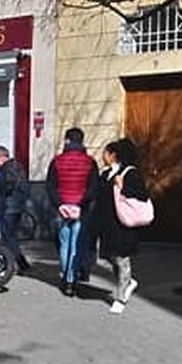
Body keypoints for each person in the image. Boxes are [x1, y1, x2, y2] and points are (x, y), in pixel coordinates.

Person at [89, 138, 149, 314]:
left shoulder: (131, 173)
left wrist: (123, 187)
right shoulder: (105, 174)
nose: (103, 156)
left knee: (122, 259)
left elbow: (142, 195)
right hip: (106, 224)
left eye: (105, 153)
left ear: (113, 155)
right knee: (110, 257)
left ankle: (121, 297)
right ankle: (128, 282)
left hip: (123, 224)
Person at [46, 128, 97, 294]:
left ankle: (65, 275)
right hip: (81, 209)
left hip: (62, 209)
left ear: (67, 140)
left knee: (64, 243)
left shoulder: (57, 161)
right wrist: (80, 205)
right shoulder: (90, 162)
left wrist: (60, 205)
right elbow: (92, 188)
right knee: (77, 244)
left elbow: (51, 186)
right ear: (82, 141)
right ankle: (71, 280)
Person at [0, 146, 29, 271]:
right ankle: (17, 262)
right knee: (10, 235)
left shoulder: (8, 168)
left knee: (7, 235)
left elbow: (8, 185)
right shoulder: (17, 166)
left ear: (1, 157)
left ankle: (19, 262)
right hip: (17, 205)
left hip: (10, 206)